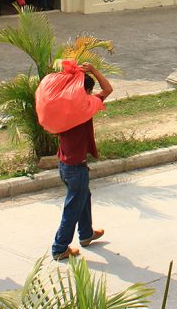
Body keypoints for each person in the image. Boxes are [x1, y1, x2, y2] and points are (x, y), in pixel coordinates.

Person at [51, 63, 113, 261]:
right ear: (85, 91)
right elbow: (108, 89)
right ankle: (59, 247)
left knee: (83, 196)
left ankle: (86, 234)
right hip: (76, 166)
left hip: (64, 164)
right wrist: (93, 70)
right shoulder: (85, 106)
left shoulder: (61, 106)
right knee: (73, 206)